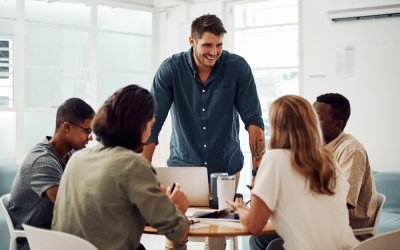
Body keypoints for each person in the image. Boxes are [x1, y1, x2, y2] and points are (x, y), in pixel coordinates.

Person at [52, 84, 190, 250]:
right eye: (150, 125)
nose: (149, 134)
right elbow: (177, 232)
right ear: (139, 126)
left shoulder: (77, 159)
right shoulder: (134, 165)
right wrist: (178, 209)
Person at [142, 14, 265, 185]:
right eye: (207, 45)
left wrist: (258, 171)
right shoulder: (171, 70)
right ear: (192, 41)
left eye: (219, 45)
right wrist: (140, 172)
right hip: (183, 171)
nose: (214, 52)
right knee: (180, 213)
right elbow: (152, 123)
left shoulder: (237, 68)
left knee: (227, 213)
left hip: (227, 170)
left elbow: (254, 120)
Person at [228, 95, 359, 250]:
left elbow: (254, 226)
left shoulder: (274, 159)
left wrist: (240, 208)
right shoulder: (328, 160)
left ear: (277, 126)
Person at [7, 98, 95, 250]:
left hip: (54, 233)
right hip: (35, 241)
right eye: (87, 131)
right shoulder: (43, 160)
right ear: (66, 127)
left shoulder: (69, 155)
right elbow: (69, 205)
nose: (91, 137)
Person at [314, 93, 378, 233]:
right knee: (262, 239)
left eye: (317, 118)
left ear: (337, 124)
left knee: (275, 244)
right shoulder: (321, 147)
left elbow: (343, 202)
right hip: (325, 225)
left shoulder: (351, 150)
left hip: (348, 232)